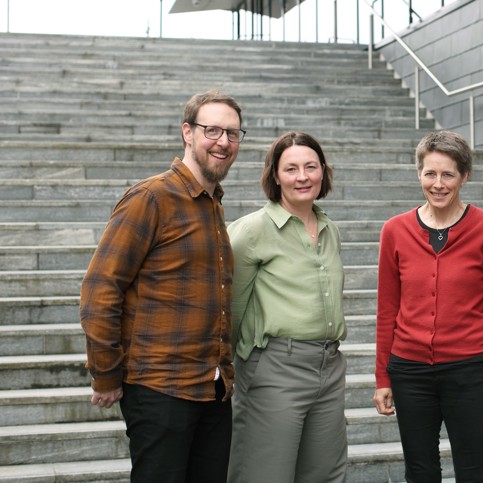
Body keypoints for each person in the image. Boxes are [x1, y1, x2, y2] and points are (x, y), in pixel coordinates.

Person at [80, 90, 244, 483]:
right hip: (159, 389)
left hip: (212, 388)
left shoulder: (211, 203)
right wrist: (106, 374)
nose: (223, 141)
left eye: (233, 133)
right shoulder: (151, 197)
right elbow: (100, 290)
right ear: (187, 133)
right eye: (213, 130)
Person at [373, 130, 483, 483]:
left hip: (470, 370)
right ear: (419, 174)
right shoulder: (395, 230)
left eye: (448, 174)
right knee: (420, 472)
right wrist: (382, 377)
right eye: (430, 173)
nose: (438, 184)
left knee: (473, 472)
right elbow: (387, 310)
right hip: (410, 372)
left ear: (464, 176)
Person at [226, 131, 347, 483]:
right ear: (275, 176)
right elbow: (230, 309)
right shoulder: (251, 232)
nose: (302, 176)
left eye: (311, 166)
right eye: (291, 168)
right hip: (275, 368)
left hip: (328, 365)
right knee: (265, 474)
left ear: (323, 172)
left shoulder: (329, 229)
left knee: (325, 474)